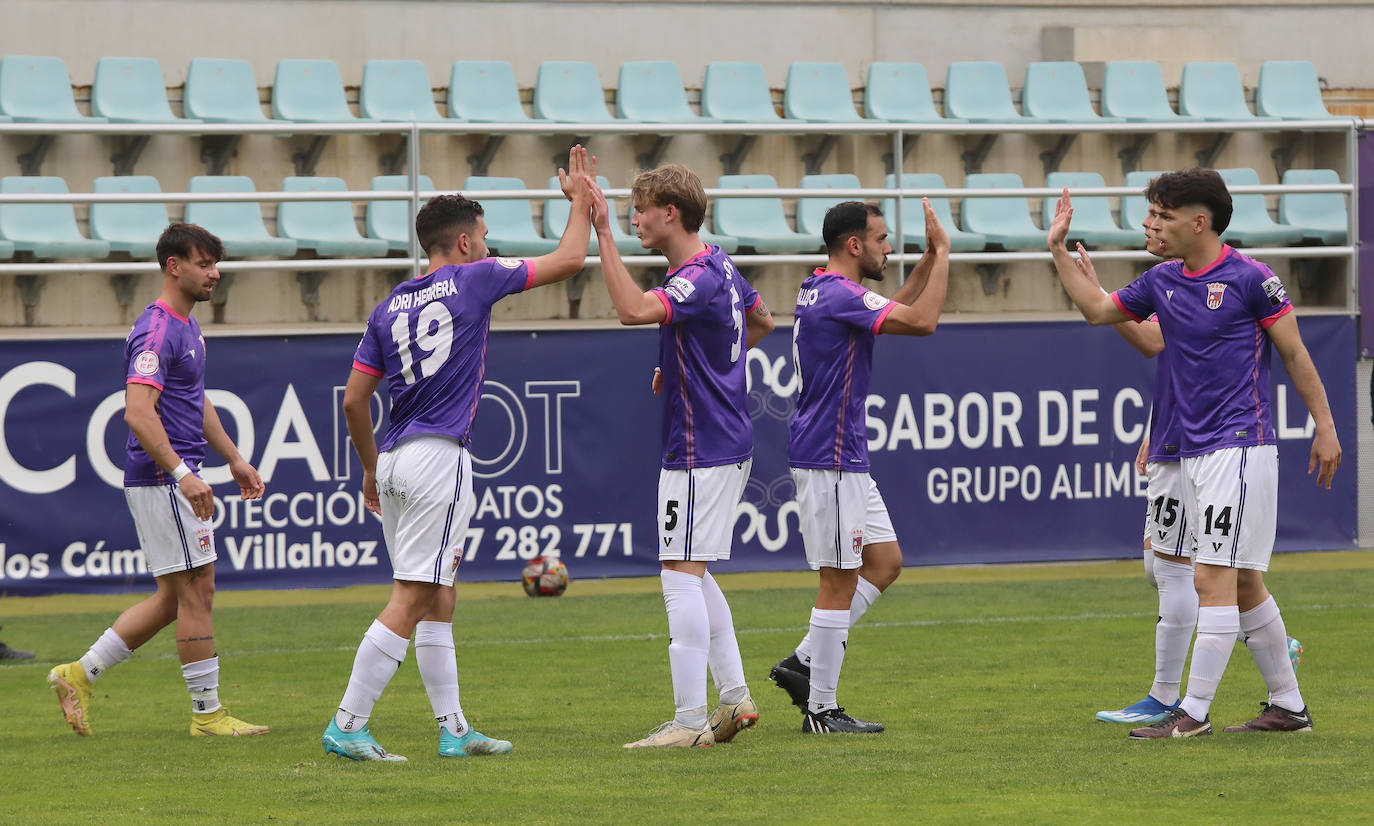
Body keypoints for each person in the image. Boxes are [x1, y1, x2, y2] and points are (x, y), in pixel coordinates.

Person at [321, 146, 597, 762]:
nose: (489, 246)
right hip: (438, 459)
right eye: (485, 237)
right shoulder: (475, 278)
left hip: (392, 459)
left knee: (438, 593)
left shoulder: (389, 304)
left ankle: (453, 729)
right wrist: (580, 202)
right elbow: (571, 259)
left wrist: (369, 469)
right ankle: (348, 722)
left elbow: (353, 402)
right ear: (467, 244)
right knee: (414, 597)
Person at [1048, 169, 1341, 738]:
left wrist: (1324, 426)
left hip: (1238, 445)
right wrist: (1057, 249)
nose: (1150, 223)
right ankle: (1289, 707)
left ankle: (1192, 714)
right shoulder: (1162, 280)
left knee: (1211, 579)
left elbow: (1297, 354)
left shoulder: (1252, 279)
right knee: (1243, 582)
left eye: (1162, 214)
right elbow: (1099, 310)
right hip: (1188, 449)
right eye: (1151, 212)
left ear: (1198, 222)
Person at [48, 223, 268, 737]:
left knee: (176, 597)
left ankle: (78, 675)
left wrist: (233, 458)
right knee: (198, 590)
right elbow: (138, 413)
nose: (215, 273)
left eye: (216, 263)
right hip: (162, 481)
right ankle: (208, 715)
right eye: (204, 263)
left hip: (170, 478)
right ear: (174, 266)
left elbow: (195, 399)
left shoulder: (186, 326)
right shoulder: (158, 330)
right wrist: (183, 474)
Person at [587, 163, 774, 748]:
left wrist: (602, 235)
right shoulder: (721, 261)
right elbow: (761, 320)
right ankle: (736, 697)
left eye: (640, 208)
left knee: (677, 573)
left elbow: (632, 310)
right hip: (726, 438)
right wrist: (692, 364)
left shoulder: (695, 275)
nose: (633, 217)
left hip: (700, 445)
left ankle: (689, 722)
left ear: (671, 213)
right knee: (694, 570)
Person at [766, 200, 950, 733]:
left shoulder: (822, 287)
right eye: (882, 238)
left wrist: (927, 261)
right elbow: (923, 321)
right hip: (830, 455)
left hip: (843, 454)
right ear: (855, 245)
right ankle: (822, 710)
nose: (889, 247)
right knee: (838, 580)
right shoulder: (839, 295)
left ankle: (803, 662)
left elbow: (891, 307)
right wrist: (944, 257)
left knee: (885, 562)